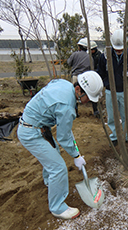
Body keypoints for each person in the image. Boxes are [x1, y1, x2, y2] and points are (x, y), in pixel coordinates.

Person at [17, 71, 103, 219]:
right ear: (78, 90)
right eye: (87, 96)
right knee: (58, 167)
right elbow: (63, 137)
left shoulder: (64, 84)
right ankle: (57, 207)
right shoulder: (67, 107)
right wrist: (76, 156)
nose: (88, 101)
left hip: (38, 125)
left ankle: (50, 182)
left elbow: (64, 127)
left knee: (54, 154)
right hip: (31, 132)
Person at [97, 29, 128, 147]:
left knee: (126, 115)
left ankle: (127, 137)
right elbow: (100, 72)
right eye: (116, 49)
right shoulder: (105, 56)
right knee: (112, 116)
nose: (118, 51)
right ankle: (114, 137)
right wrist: (104, 83)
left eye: (121, 49)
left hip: (125, 90)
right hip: (110, 90)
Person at [67, 37, 92, 117]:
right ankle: (94, 111)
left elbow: (69, 63)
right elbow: (92, 68)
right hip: (86, 78)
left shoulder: (75, 54)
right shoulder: (89, 57)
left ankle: (75, 112)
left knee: (74, 94)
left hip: (76, 76)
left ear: (79, 47)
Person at [90, 40, 102, 118]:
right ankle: (95, 109)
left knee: (98, 94)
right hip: (91, 76)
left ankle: (98, 110)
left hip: (97, 76)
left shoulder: (99, 55)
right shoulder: (89, 55)